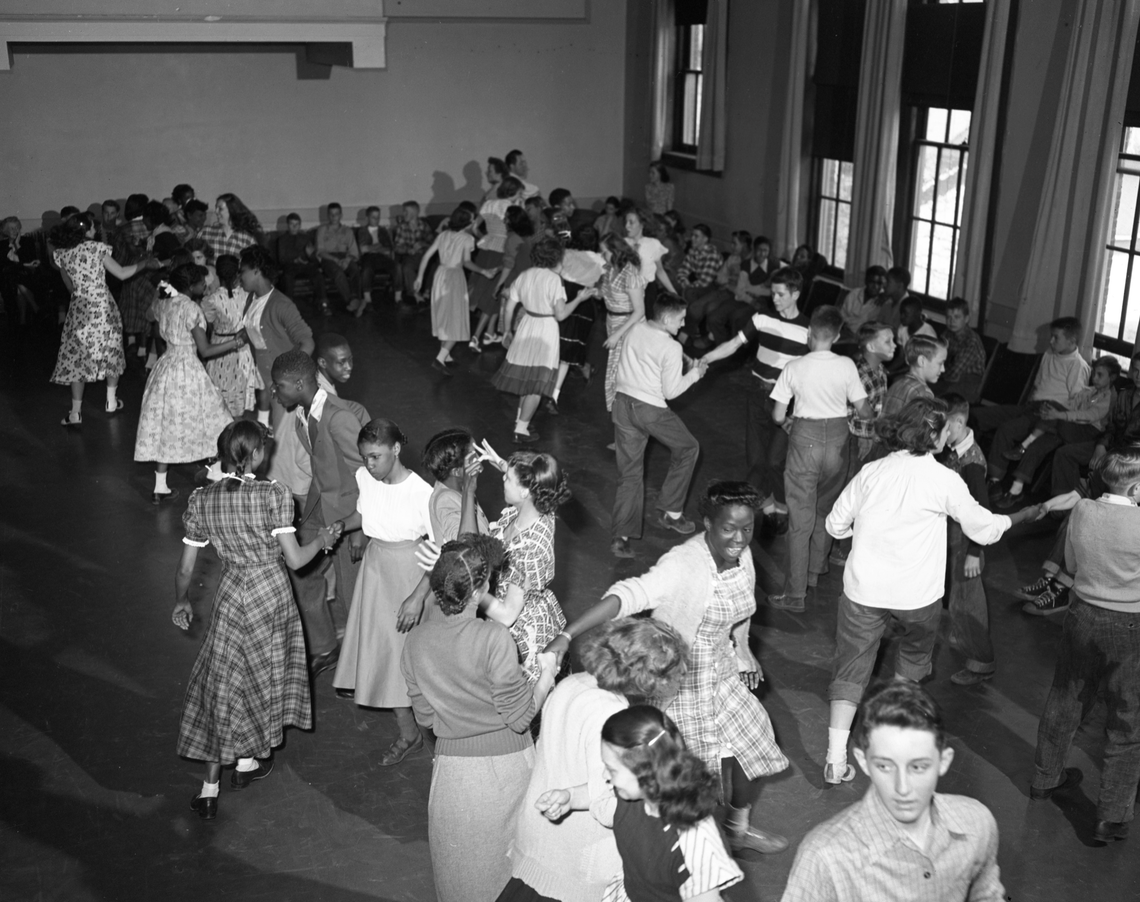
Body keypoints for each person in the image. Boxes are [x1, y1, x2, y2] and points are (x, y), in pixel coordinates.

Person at [546, 481, 791, 855]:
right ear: (706, 523)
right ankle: (697, 850)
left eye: (747, 528)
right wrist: (568, 633)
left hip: (721, 673)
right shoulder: (683, 564)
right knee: (692, 778)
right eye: (728, 528)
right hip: (680, 681)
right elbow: (628, 595)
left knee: (752, 743)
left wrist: (743, 651)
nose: (739, 538)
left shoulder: (741, 555)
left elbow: (741, 613)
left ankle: (737, 828)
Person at [822, 398, 1041, 784]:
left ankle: (835, 758)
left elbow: (835, 525)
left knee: (851, 669)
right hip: (917, 597)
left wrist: (863, 537)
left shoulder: (872, 472)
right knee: (911, 664)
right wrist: (1017, 516)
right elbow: (984, 529)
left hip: (863, 590)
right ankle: (888, 739)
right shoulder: (944, 479)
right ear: (935, 435)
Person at [174, 421, 342, 820]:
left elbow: (184, 569)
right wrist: (325, 539)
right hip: (270, 596)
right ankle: (247, 762)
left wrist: (181, 600)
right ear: (255, 455)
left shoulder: (203, 499)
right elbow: (297, 560)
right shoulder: (273, 495)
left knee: (223, 681)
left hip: (232, 594)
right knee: (261, 675)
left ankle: (214, 785)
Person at [403, 534, 557, 902]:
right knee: (513, 877)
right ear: (483, 588)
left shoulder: (415, 642)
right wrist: (547, 676)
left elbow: (424, 715)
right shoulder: (494, 638)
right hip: (505, 772)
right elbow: (520, 718)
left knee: (461, 879)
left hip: (451, 777)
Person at [499, 618, 690, 902]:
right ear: (650, 679)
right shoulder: (613, 718)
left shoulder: (575, 682)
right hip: (577, 861)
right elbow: (606, 804)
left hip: (539, 836)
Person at [780, 681, 1006, 902]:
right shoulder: (825, 858)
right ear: (863, 761)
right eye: (885, 766)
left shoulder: (976, 824)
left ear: (943, 761)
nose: (902, 788)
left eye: (918, 767)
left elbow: (987, 894)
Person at [1030, 448, 1140, 844]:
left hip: (1081, 617)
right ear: (1137, 485)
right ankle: (1111, 815)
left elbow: (1072, 566)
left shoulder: (1084, 511)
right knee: (1127, 719)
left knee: (1066, 698)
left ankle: (1045, 778)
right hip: (1129, 626)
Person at [551, 706, 743, 902]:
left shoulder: (696, 841)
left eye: (612, 770)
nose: (604, 776)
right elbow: (599, 792)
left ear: (646, 772)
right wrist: (571, 796)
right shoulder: (635, 792)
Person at [331, 418, 434, 766]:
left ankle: (439, 740)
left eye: (375, 456)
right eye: (365, 458)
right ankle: (409, 734)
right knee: (386, 659)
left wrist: (419, 596)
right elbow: (364, 513)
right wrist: (342, 526)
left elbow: (443, 549)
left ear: (396, 450)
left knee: (416, 664)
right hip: (377, 573)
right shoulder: (365, 478)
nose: (369, 465)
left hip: (413, 575)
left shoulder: (423, 493)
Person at [270, 349, 368, 679]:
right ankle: (325, 647)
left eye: (279, 385)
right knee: (301, 573)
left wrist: (358, 529)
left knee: (353, 595)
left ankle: (365, 665)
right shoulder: (303, 411)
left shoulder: (338, 417)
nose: (275, 392)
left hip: (348, 515)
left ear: (299, 383)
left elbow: (365, 474)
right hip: (318, 509)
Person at [768, 306, 871, 612]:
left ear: (810, 332)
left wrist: (792, 426)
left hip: (805, 441)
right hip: (839, 442)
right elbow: (864, 410)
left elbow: (777, 416)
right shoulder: (847, 366)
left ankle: (795, 594)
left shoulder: (794, 367)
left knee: (801, 520)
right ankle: (814, 571)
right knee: (825, 509)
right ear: (838, 336)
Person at [702, 267, 811, 527]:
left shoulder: (808, 330)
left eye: (781, 294)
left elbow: (813, 371)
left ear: (795, 294)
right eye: (773, 293)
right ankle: (764, 503)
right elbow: (734, 344)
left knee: (775, 461)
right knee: (756, 459)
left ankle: (782, 507)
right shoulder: (762, 317)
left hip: (786, 403)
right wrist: (707, 357)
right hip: (756, 393)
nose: (774, 298)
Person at [452, 445, 572, 683]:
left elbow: (507, 615)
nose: (503, 480)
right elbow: (531, 480)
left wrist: (473, 588)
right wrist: (501, 462)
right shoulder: (538, 506)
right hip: (499, 609)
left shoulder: (529, 548)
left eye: (507, 478)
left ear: (527, 491)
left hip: (518, 631)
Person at [611, 293, 708, 558]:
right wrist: (695, 374)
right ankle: (672, 512)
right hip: (650, 410)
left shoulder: (637, 327)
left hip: (622, 404)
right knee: (689, 448)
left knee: (629, 474)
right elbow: (672, 391)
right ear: (666, 318)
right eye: (681, 319)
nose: (683, 324)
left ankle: (621, 538)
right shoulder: (672, 347)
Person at [134, 264, 237, 504]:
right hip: (187, 369)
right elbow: (206, 349)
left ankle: (160, 486)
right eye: (201, 282)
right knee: (215, 417)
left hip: (166, 366)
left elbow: (149, 316)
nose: (204, 285)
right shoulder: (191, 308)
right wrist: (235, 342)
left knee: (166, 425)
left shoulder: (165, 302)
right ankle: (215, 471)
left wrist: (161, 294)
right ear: (191, 286)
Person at [50, 214, 159, 425]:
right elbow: (122, 273)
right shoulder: (98, 248)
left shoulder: (61, 255)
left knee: (77, 356)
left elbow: (70, 287)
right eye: (93, 228)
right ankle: (110, 401)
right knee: (111, 350)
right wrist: (146, 263)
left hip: (79, 309)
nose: (95, 231)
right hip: (102, 307)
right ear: (87, 231)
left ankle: (75, 413)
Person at [493, 236, 591, 444]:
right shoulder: (554, 280)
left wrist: (507, 331)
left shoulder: (525, 275)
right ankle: (521, 429)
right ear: (556, 257)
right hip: (545, 329)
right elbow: (561, 314)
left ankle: (521, 421)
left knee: (528, 378)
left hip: (527, 324)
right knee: (537, 384)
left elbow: (509, 307)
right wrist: (580, 299)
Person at [979, 317, 1091, 493]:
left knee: (1007, 429)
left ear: (1072, 341)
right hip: (1032, 407)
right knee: (982, 415)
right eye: (1051, 337)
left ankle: (995, 482)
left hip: (1050, 415)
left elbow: (1076, 403)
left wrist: (1050, 415)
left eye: (1056, 337)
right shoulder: (1049, 354)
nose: (1051, 341)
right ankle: (993, 479)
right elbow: (1038, 384)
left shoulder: (1078, 365)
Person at [995, 356, 1119, 509]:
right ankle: (1016, 489)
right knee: (1040, 443)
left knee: (1054, 412)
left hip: (1086, 433)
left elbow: (1088, 416)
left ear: (1112, 377)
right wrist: (1054, 411)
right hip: (1068, 428)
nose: (1094, 378)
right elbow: (1072, 406)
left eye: (1100, 375)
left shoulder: (1110, 397)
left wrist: (1058, 414)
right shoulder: (1091, 391)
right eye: (1094, 373)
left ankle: (1023, 445)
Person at [937, 394, 999, 686]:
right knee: (957, 599)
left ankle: (980, 662)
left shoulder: (972, 461)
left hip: (965, 543)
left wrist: (975, 551)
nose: (940, 430)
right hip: (953, 539)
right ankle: (960, 635)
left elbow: (983, 512)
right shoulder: (954, 449)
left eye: (944, 425)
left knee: (967, 604)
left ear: (959, 422)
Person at [238, 245, 315, 435]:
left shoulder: (281, 304)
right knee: (283, 436)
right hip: (268, 378)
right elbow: (260, 330)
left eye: (243, 271)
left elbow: (308, 341)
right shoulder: (251, 298)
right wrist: (244, 334)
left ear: (256, 270)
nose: (240, 277)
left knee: (286, 435)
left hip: (284, 384)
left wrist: (289, 372)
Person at [415, 206, 494, 374]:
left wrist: (420, 278)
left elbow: (426, 256)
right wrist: (483, 271)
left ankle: (447, 355)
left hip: (440, 275)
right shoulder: (467, 239)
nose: (474, 222)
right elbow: (466, 262)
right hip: (454, 278)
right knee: (456, 318)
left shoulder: (443, 235)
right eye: (472, 219)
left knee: (445, 314)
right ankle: (440, 358)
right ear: (466, 223)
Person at [1050, 351, 1140, 497]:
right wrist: (1101, 446)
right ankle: (1063, 505)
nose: (1138, 376)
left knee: (1102, 474)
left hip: (1130, 460)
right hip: (1108, 445)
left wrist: (1114, 457)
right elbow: (1111, 427)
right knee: (1065, 453)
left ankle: (1084, 503)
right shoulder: (1124, 395)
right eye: (1136, 370)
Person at [547, 223, 604, 409]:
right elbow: (600, 293)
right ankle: (554, 394)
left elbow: (552, 274)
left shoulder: (565, 253)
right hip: (584, 304)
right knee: (569, 350)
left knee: (556, 346)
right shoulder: (600, 260)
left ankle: (549, 392)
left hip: (562, 298)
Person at [201, 254, 262, 418]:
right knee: (238, 400)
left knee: (219, 399)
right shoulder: (247, 294)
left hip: (220, 349)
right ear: (237, 274)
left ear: (217, 275)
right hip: (242, 349)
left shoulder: (211, 300)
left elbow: (208, 322)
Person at [598, 233, 650, 418]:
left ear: (615, 251)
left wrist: (616, 335)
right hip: (613, 322)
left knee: (623, 377)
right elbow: (608, 294)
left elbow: (639, 311)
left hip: (628, 328)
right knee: (616, 376)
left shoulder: (630, 274)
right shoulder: (608, 269)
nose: (601, 255)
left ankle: (629, 426)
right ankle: (623, 428)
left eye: (604, 252)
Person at [476, 204, 535, 351]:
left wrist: (499, 285)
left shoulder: (512, 238)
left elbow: (510, 264)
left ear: (513, 220)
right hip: (529, 281)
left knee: (510, 321)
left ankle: (513, 355)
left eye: (507, 218)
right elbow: (520, 260)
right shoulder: (528, 237)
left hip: (514, 283)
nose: (504, 220)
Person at [879, 335, 946, 420]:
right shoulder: (923, 393)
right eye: (940, 363)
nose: (943, 369)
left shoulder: (897, 383)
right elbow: (921, 430)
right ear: (922, 361)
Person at [934, 296, 986, 402]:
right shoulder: (947, 334)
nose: (951, 321)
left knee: (936, 396)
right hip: (947, 377)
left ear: (966, 319)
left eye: (957, 317)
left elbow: (954, 375)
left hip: (968, 383)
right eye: (948, 317)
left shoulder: (971, 341)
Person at [622, 206, 678, 298]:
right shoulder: (622, 244)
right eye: (626, 222)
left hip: (648, 290)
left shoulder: (653, 244)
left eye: (631, 222)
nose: (627, 226)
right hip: (627, 289)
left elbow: (660, 271)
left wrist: (674, 293)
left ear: (642, 224)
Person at [315, 202, 361, 312]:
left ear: (341, 215)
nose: (334, 216)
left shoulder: (348, 231)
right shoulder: (322, 230)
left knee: (355, 269)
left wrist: (347, 260)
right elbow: (320, 251)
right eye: (331, 214)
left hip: (345, 256)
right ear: (327, 215)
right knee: (338, 273)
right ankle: (350, 301)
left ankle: (356, 298)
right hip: (329, 258)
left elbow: (354, 251)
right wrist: (335, 259)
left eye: (336, 214)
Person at [276, 212, 326, 311]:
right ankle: (288, 306)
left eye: (297, 224)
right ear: (288, 225)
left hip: (305, 265)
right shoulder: (282, 240)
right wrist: (295, 259)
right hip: (290, 265)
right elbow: (281, 258)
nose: (294, 227)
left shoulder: (305, 238)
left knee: (318, 275)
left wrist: (309, 255)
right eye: (292, 224)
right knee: (287, 277)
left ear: (300, 225)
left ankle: (323, 302)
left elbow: (314, 258)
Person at [354, 205, 397, 316]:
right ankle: (368, 300)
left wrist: (374, 247)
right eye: (373, 217)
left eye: (378, 217)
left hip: (382, 256)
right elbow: (363, 249)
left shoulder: (383, 230)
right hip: (368, 256)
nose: (376, 220)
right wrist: (378, 246)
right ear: (367, 218)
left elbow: (388, 249)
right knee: (367, 268)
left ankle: (398, 298)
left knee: (396, 266)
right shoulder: (362, 231)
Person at [392, 200, 435, 303]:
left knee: (434, 264)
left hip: (424, 255)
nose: (403, 214)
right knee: (407, 267)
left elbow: (433, 244)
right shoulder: (402, 227)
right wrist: (408, 250)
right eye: (404, 211)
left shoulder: (423, 226)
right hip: (410, 256)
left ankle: (427, 291)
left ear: (414, 213)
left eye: (406, 211)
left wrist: (423, 244)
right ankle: (415, 293)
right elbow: (397, 247)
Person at [198, 193, 260, 259]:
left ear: (231, 210)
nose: (216, 211)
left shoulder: (246, 239)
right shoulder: (206, 232)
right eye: (216, 208)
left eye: (220, 209)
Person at [839, 265, 889, 332]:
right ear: (866, 281)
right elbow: (842, 315)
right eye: (872, 282)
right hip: (845, 331)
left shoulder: (882, 301)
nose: (875, 286)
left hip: (863, 337)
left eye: (879, 283)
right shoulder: (854, 294)